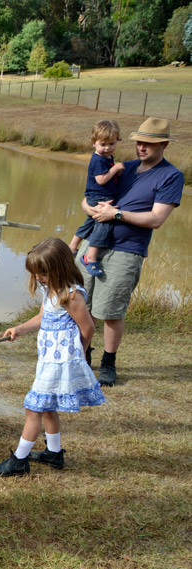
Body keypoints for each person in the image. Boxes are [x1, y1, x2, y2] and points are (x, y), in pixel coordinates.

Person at [76, 117, 183, 387]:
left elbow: (157, 219)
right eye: (139, 142)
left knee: (111, 309)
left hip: (127, 249)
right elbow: (89, 195)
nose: (142, 148)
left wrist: (117, 213)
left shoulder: (171, 176)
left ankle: (108, 362)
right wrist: (90, 210)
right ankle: (84, 356)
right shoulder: (122, 167)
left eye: (149, 143)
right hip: (94, 243)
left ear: (164, 145)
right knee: (80, 304)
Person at [0, 238, 105, 476]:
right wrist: (20, 328)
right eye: (36, 273)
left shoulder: (71, 295)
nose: (38, 278)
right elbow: (43, 317)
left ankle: (19, 461)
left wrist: (78, 353)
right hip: (48, 359)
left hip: (60, 362)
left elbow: (89, 328)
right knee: (48, 408)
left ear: (59, 268)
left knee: (34, 409)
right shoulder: (50, 290)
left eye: (43, 273)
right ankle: (53, 453)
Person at [68, 120, 125, 277]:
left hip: (97, 195)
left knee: (90, 222)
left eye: (112, 143)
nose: (107, 148)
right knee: (104, 223)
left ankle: (72, 247)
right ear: (93, 143)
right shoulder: (98, 159)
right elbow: (101, 180)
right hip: (100, 197)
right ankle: (90, 257)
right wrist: (115, 169)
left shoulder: (106, 157)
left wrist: (115, 172)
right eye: (103, 144)